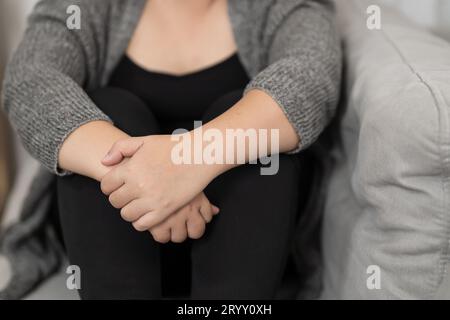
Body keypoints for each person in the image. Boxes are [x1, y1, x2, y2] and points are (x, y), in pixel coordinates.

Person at [2, 0, 341, 299]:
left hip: (242, 250)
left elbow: (311, 78)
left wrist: (188, 163)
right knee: (111, 108)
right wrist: (146, 178)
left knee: (259, 140)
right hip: (114, 238)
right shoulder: (86, 6)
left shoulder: (281, 6)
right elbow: (29, 80)